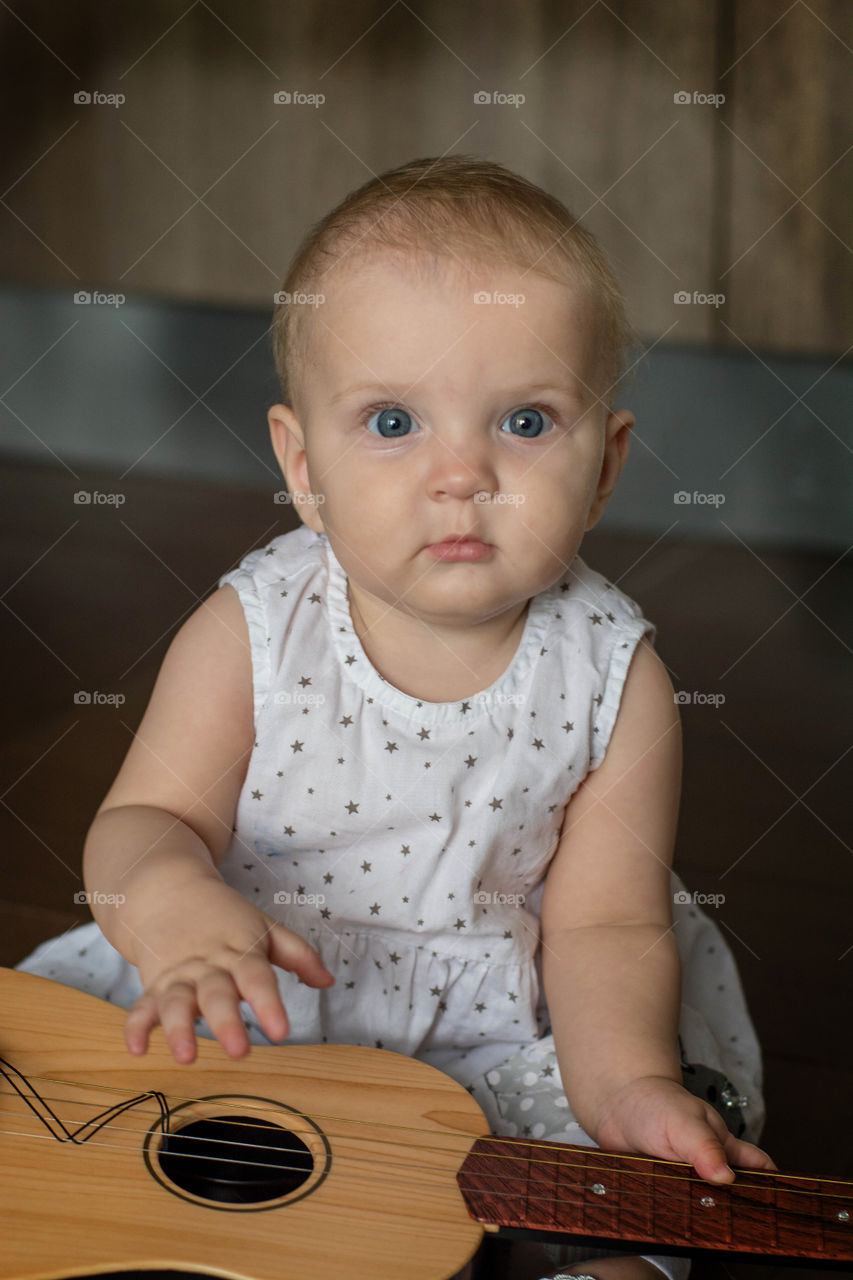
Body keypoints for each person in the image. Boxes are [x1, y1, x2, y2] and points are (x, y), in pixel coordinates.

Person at [17, 156, 776, 1279]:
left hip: (501, 1025)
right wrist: (173, 911)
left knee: (629, 1202)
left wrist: (625, 1085)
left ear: (606, 464)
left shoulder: (616, 677)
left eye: (525, 419)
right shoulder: (254, 629)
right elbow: (145, 821)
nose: (460, 474)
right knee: (90, 1141)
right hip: (259, 999)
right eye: (391, 420)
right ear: (302, 463)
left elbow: (605, 930)